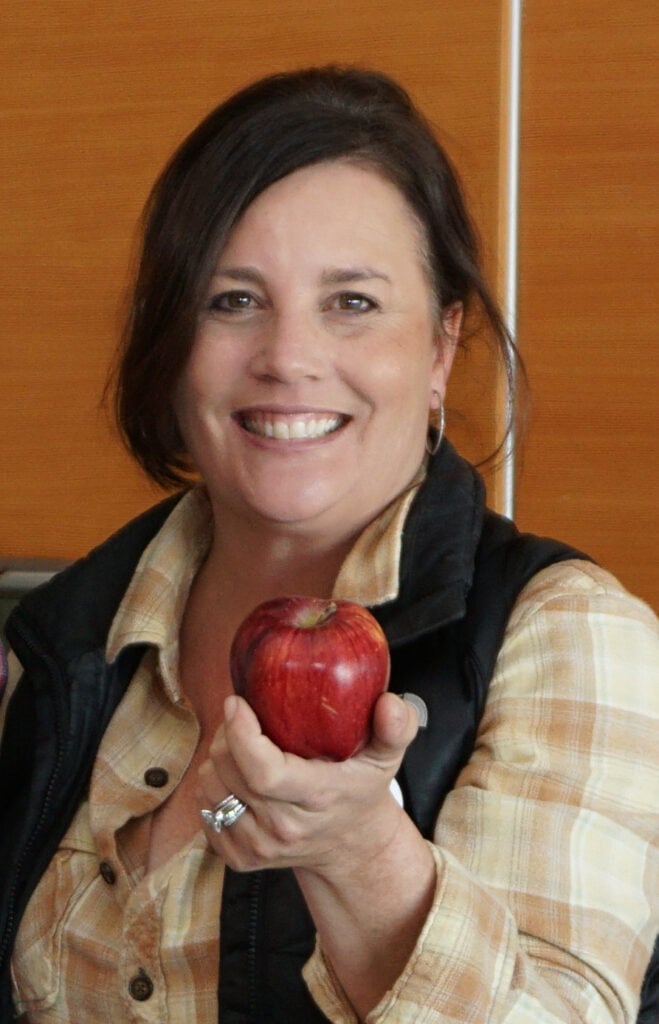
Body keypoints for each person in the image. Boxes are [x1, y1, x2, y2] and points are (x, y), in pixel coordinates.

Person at [0, 66, 656, 1024]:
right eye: (232, 300)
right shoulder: (70, 640)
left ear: (439, 347)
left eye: (350, 302)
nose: (287, 357)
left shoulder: (566, 633)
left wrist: (361, 860)